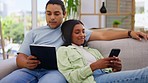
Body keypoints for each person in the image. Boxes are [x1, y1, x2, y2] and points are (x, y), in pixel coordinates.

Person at [0, 0, 148, 83]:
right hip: (30, 70)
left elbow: (103, 34)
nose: (52, 17)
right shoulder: (34, 32)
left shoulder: (71, 31)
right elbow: (20, 57)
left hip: (56, 72)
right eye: (48, 13)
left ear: (64, 14)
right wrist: (26, 63)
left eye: (56, 14)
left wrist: (129, 32)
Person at [57, 19, 148, 83]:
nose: (82, 35)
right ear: (68, 34)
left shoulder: (92, 51)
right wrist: (93, 67)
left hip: (103, 76)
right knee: (144, 74)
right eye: (77, 32)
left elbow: (107, 71)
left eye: (83, 31)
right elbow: (71, 78)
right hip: (92, 80)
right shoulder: (63, 51)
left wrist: (115, 69)